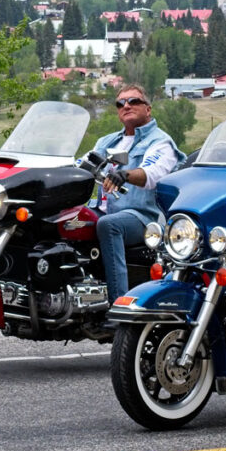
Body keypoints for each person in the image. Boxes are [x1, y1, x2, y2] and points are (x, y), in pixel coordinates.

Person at [92, 84, 184, 309]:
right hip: (102, 208)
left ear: (148, 109)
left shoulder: (160, 142)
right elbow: (82, 164)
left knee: (109, 226)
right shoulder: (107, 142)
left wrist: (124, 175)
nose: (126, 106)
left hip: (142, 216)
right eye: (120, 103)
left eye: (133, 101)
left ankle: (119, 306)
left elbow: (151, 174)